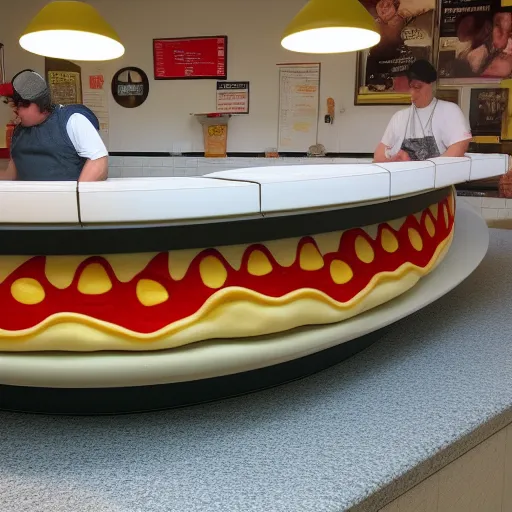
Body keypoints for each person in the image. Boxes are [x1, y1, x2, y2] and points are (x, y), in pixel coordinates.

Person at [0, 69, 108, 181]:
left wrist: (75, 197)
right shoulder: (18, 133)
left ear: (37, 103)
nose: (15, 111)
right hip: (27, 198)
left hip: (65, 198)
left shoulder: (72, 120)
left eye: (19, 106)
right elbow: (11, 175)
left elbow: (99, 161)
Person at [373, 59, 473, 163]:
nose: (412, 92)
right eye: (410, 87)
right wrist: (394, 161)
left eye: (418, 87)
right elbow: (378, 156)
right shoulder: (399, 117)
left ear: (432, 85)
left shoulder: (450, 111)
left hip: (438, 177)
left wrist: (429, 171)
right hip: (405, 177)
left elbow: (460, 146)